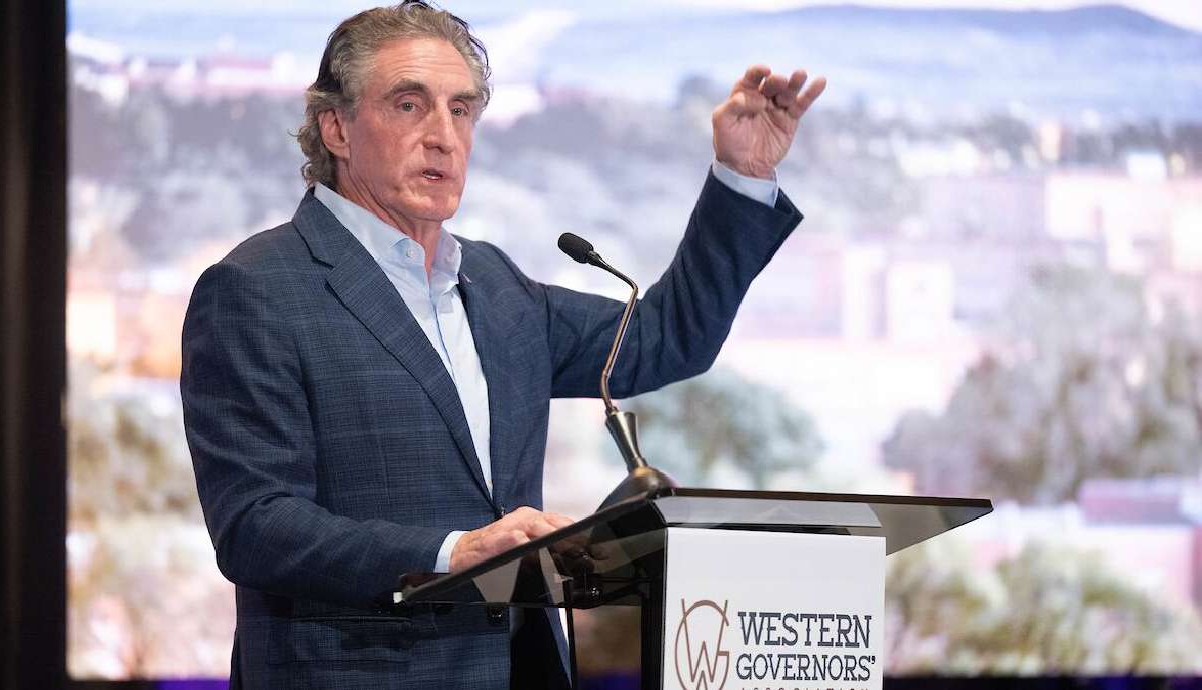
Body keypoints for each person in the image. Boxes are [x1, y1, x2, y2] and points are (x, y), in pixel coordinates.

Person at [180, 1, 825, 688]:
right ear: (335, 127)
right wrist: (453, 553)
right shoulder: (257, 289)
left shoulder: (493, 286)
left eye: (461, 111)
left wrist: (741, 176)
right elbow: (256, 525)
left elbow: (669, 339)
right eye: (408, 105)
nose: (443, 137)